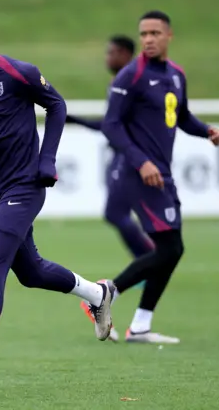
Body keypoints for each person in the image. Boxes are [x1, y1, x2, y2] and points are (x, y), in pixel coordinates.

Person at [0, 5, 114, 396]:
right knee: (30, 272)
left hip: (25, 185)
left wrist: (46, 159)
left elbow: (57, 105)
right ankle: (99, 294)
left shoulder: (18, 73)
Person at [80, 10, 219, 345]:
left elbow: (182, 116)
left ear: (169, 36)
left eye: (155, 33)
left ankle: (138, 324)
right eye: (143, 33)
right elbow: (112, 125)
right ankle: (105, 293)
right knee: (171, 247)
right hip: (139, 174)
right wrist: (141, 161)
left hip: (161, 172)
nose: (148, 39)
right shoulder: (130, 76)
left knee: (170, 249)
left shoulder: (176, 75)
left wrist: (206, 131)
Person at [66, 35, 154, 301]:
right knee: (118, 213)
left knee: (115, 213)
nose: (108, 58)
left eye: (113, 53)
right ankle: (147, 262)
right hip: (122, 156)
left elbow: (113, 125)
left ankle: (148, 262)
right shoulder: (119, 82)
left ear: (127, 54)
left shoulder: (129, 83)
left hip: (129, 157)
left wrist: (76, 120)